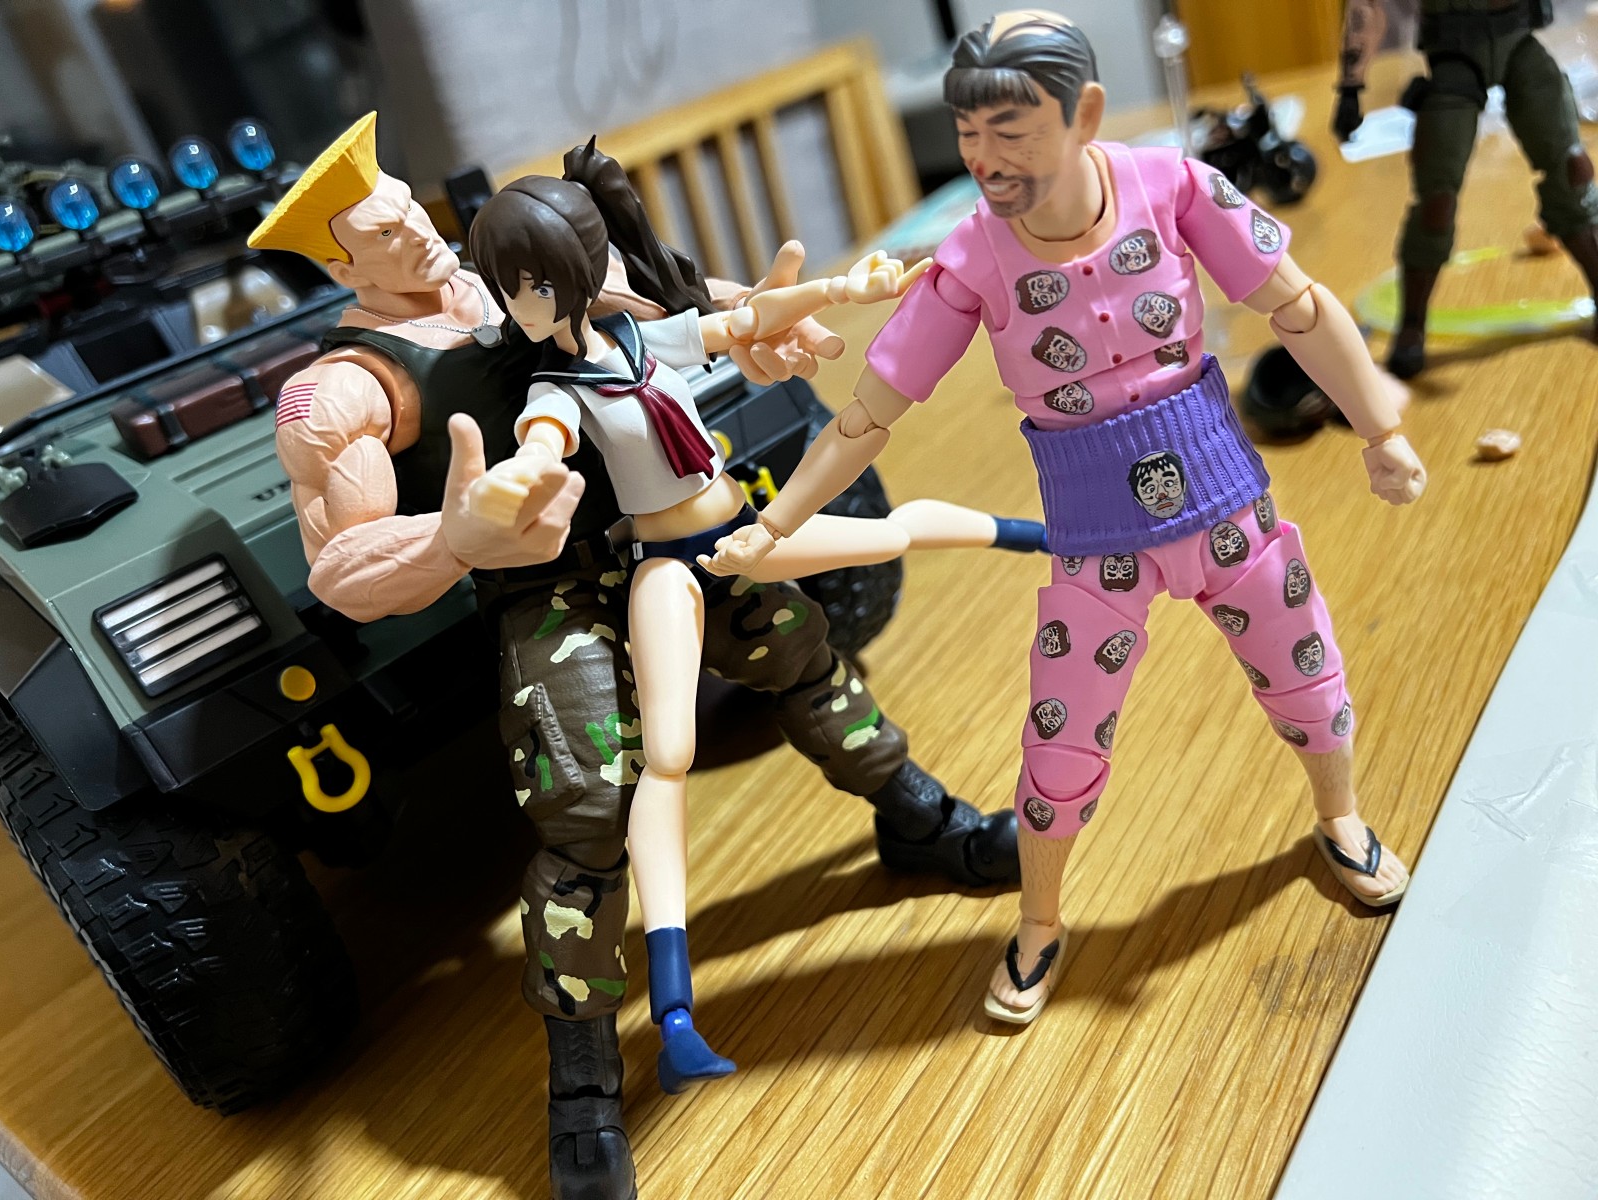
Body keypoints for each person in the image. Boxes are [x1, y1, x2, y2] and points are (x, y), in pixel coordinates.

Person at [248, 112, 1022, 1200]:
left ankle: (914, 816)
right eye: (381, 232)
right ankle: (582, 1075)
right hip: (546, 588)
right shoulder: (345, 390)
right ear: (340, 265)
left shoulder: (501, 270)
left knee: (799, 649)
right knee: (586, 807)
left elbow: (658, 309)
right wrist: (451, 538)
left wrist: (763, 317)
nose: (415, 233)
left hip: (672, 533)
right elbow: (339, 568)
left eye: (409, 208)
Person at [704, 12, 1428, 1027]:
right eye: (968, 135)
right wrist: (778, 524)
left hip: (1228, 501)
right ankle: (1040, 919)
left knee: (1305, 664)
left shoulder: (1174, 188)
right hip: (1094, 542)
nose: (984, 159)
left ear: (1084, 114)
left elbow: (1297, 306)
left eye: (1010, 131)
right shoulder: (971, 258)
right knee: (1061, 739)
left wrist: (1378, 428)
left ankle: (1339, 815)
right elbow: (868, 415)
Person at [1334, 0, 1598, 377]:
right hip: (1455, 56)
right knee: (1436, 201)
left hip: (1518, 42)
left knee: (1572, 170)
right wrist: (1350, 86)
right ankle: (1412, 326)